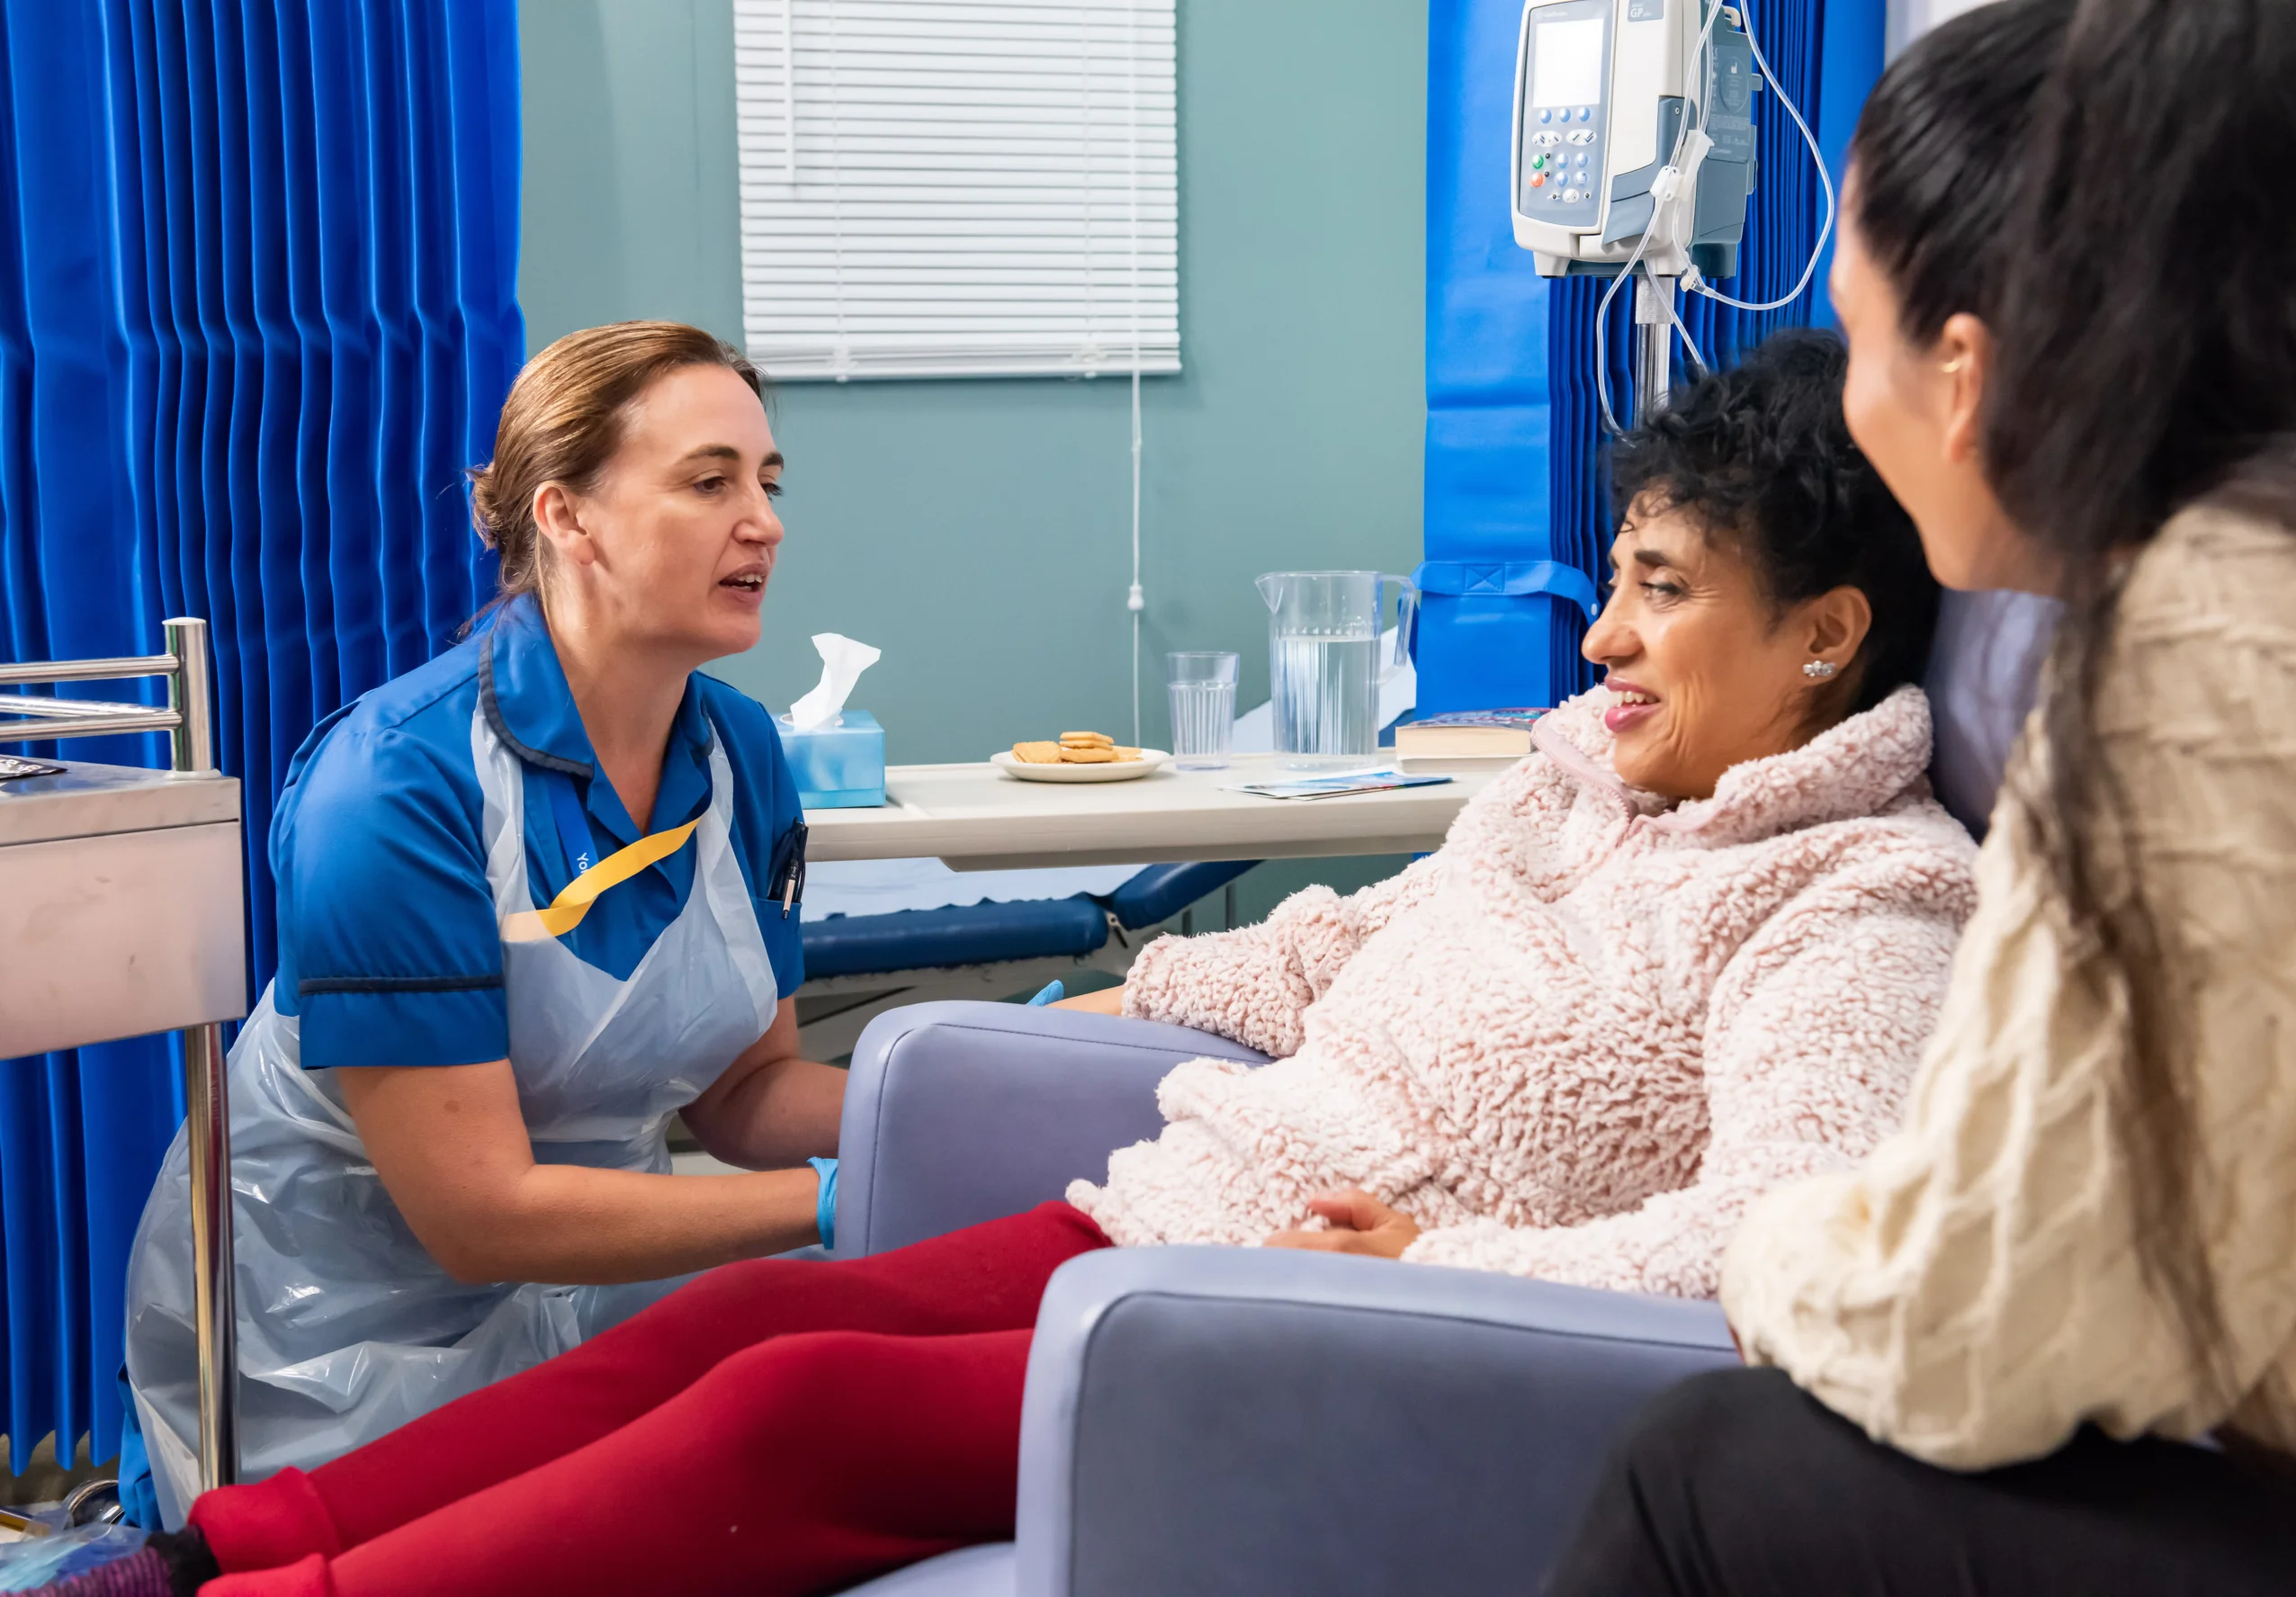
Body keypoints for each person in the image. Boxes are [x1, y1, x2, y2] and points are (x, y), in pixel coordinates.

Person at [72, 329, 1976, 1597]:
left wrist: (1446, 1260)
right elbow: (1331, 946)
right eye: (709, 481)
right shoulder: (1569, 797)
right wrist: (1117, 1003)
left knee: (782, 1404)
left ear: (1822, 634)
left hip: (1311, 1298)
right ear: (560, 517)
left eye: (1663, 591)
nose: (1601, 647)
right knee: (743, 1324)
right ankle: (201, 1549)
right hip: (1184, 1203)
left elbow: (1787, 1229)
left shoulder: (1857, 900)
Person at [1552, 2, 2296, 1593]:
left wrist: (1769, 1251)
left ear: (1964, 372)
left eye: (1857, 337)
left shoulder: (2220, 640)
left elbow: (1981, 1330)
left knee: (1703, 1472)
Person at [121, 323, 847, 1525]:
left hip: (595, 1296)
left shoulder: (740, 756)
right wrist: (834, 1195)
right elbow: (478, 1213)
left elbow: (739, 1092)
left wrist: (946, 1092)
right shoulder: (394, 785)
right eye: (710, 479)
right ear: (565, 515)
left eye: (767, 483)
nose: (763, 520)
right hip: (333, 1346)